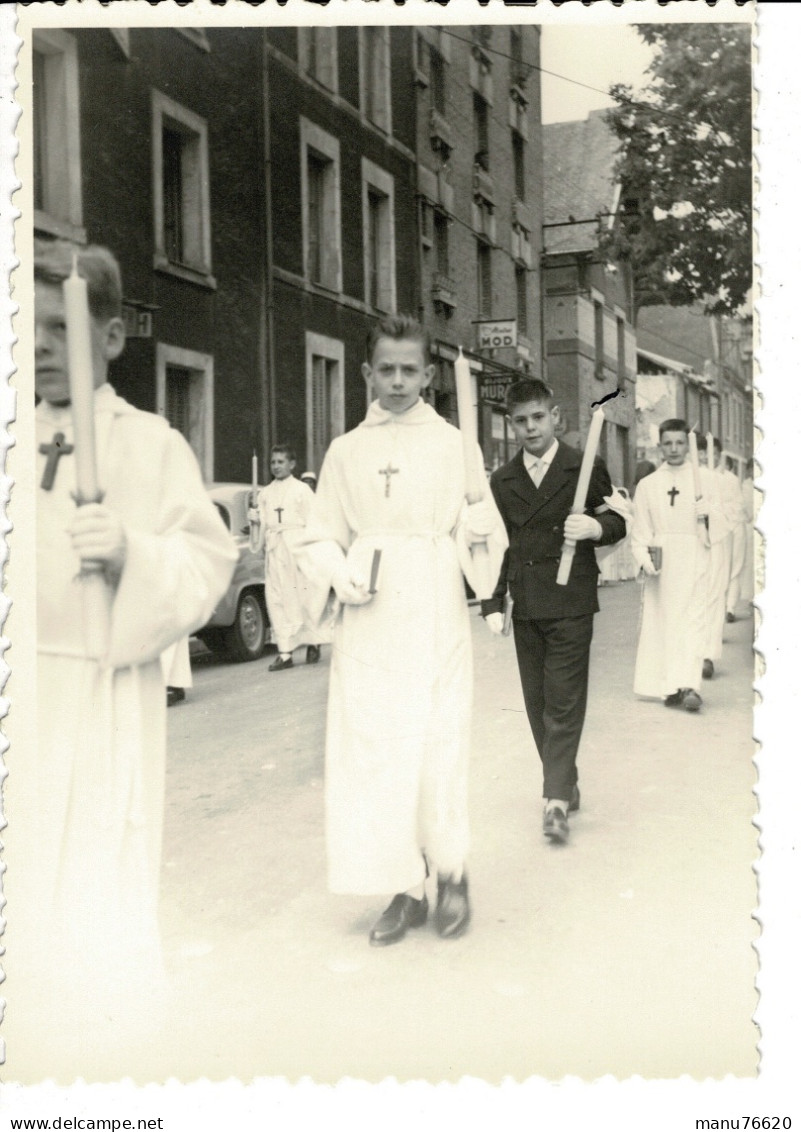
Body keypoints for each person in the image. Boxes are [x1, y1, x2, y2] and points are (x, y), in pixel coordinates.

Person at [19, 240, 237, 1064]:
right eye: (23, 326)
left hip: (99, 693)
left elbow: (207, 566)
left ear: (111, 338)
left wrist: (132, 554)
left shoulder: (151, 445)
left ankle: (96, 1055)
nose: (36, 344)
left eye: (57, 326)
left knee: (93, 879)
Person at [293, 315, 507, 946]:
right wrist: (338, 571)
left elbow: (487, 533)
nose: (396, 380)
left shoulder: (453, 445)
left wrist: (476, 530)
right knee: (378, 749)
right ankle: (401, 883)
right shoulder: (346, 451)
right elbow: (320, 534)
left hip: (433, 604)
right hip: (372, 612)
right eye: (384, 369)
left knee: (438, 740)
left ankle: (452, 871)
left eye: (409, 370)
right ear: (366, 373)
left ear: (430, 376)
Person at [482, 379, 627, 844]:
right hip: (526, 603)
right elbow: (498, 546)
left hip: (571, 600)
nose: (530, 429)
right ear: (512, 423)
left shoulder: (584, 466)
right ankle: (564, 780)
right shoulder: (502, 481)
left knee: (562, 701)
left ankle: (555, 802)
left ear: (555, 416)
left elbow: (619, 520)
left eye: (538, 418)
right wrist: (491, 600)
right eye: (521, 420)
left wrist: (594, 527)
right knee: (537, 704)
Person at [630, 420, 723, 712]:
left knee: (692, 620)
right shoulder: (649, 484)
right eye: (667, 443)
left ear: (687, 444)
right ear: (660, 446)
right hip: (663, 559)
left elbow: (722, 522)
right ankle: (668, 686)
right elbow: (640, 529)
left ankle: (690, 686)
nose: (674, 449)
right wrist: (645, 558)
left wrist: (708, 515)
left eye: (679, 442)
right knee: (663, 623)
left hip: (694, 554)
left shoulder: (705, 480)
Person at [250, 444, 329, 671]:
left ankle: (313, 641)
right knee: (277, 599)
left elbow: (315, 521)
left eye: (280, 462)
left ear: (292, 464)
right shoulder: (264, 493)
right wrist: (256, 521)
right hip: (276, 551)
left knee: (303, 596)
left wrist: (312, 551)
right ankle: (285, 653)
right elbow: (262, 530)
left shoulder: (303, 491)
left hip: (297, 548)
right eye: (273, 462)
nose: (275, 466)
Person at [698, 436, 746, 676]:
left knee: (715, 592)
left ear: (719, 455)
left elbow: (736, 508)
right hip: (696, 540)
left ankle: (708, 654)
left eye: (713, 454)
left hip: (720, 537)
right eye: (705, 454)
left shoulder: (729, 479)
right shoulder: (694, 476)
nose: (709, 458)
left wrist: (719, 520)